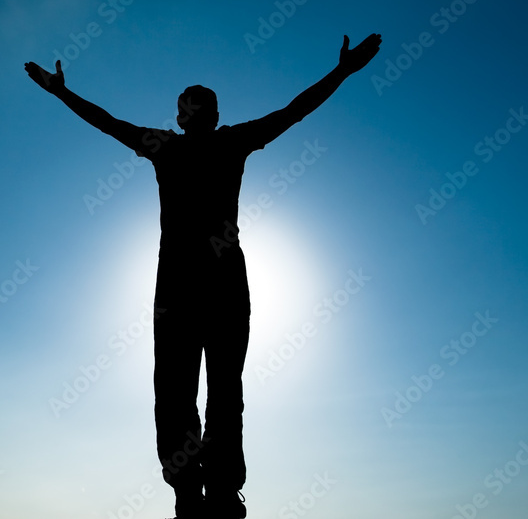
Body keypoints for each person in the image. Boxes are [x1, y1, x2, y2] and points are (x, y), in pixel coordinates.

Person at [23, 33, 382, 518]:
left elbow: (292, 111)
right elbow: (108, 123)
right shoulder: (177, 146)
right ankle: (192, 491)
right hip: (187, 287)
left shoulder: (211, 143)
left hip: (213, 285)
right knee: (182, 391)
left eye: (193, 108)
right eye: (186, 108)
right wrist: (62, 93)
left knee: (216, 390)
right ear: (188, 116)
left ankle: (215, 490)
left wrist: (341, 73)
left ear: (205, 115)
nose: (188, 115)